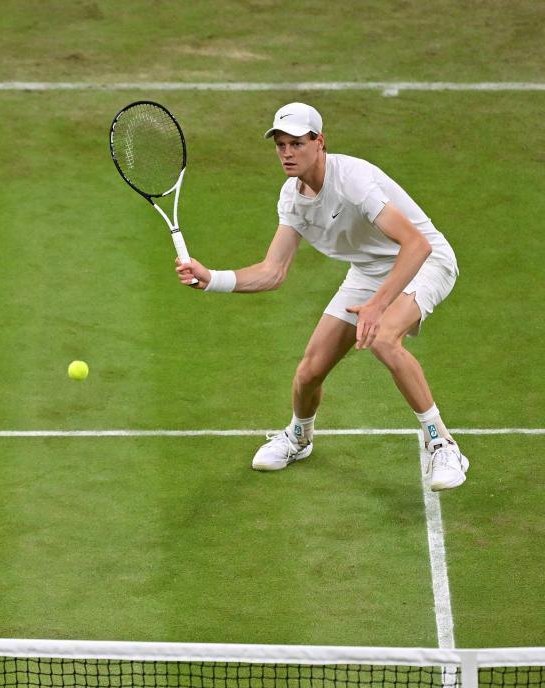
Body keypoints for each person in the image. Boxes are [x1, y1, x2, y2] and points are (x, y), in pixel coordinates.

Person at [175, 102, 469, 491]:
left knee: (383, 337)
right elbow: (272, 272)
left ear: (320, 142)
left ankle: (442, 443)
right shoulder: (292, 198)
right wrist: (211, 278)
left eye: (296, 143)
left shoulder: (354, 182)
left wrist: (377, 307)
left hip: (425, 261)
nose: (286, 153)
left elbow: (416, 246)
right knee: (309, 371)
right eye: (280, 145)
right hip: (368, 272)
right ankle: (300, 436)